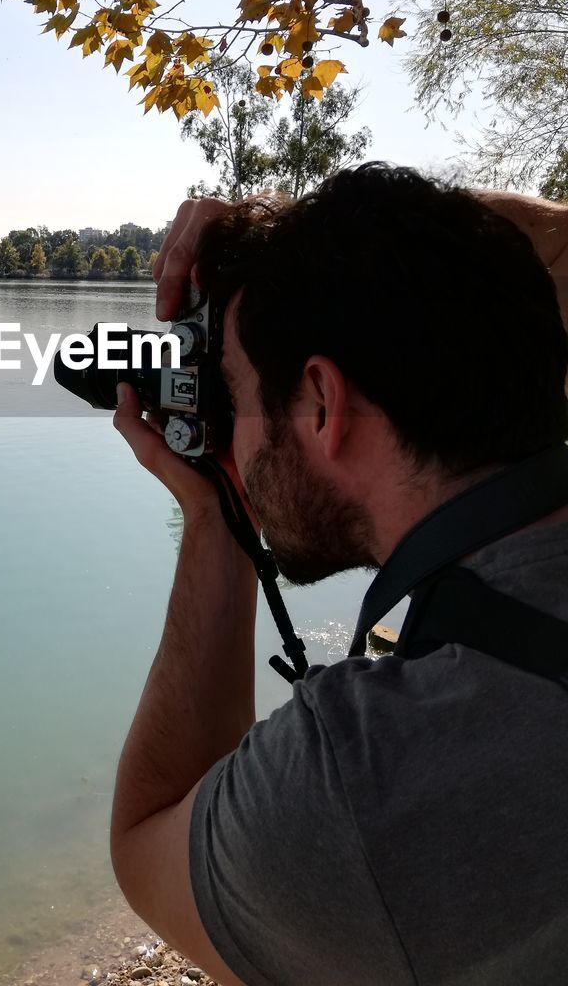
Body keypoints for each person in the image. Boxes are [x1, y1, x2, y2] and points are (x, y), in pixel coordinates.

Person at [108, 165, 568, 986]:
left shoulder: (362, 787)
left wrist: (217, 518)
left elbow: (147, 840)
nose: (235, 438)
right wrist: (327, 245)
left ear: (321, 404)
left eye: (237, 393)